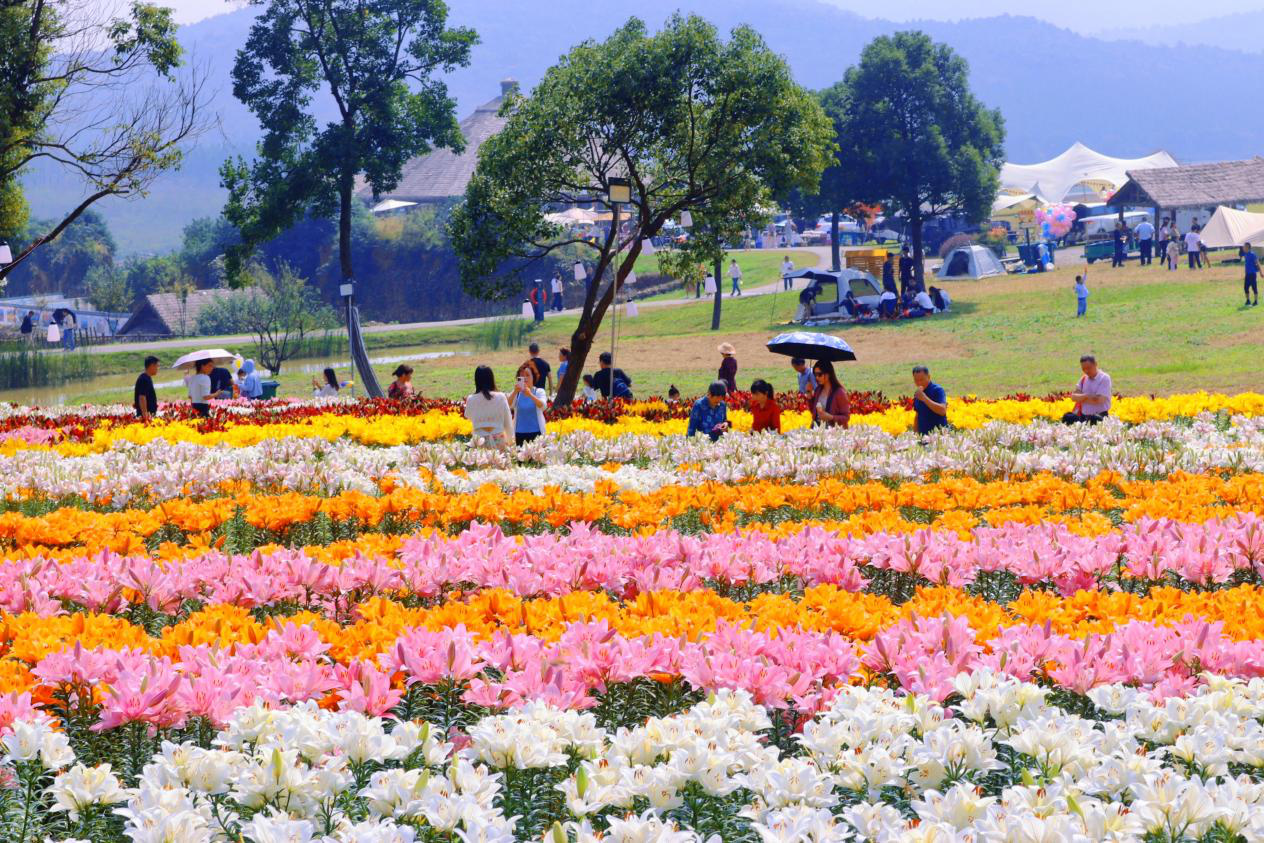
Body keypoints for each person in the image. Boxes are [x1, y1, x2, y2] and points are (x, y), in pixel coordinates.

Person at [464, 365, 513, 448]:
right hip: (498, 439)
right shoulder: (501, 397)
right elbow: (507, 421)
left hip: (479, 440)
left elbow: (467, 415)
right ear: (491, 379)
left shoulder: (471, 398)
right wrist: (510, 440)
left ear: (477, 380)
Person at [1062, 354, 1113, 425]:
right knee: (1067, 417)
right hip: (1084, 417)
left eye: (1089, 368)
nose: (1086, 371)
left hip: (1098, 417)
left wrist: (1082, 398)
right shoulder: (1084, 378)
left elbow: (1099, 400)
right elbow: (1073, 397)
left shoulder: (1104, 378)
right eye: (1083, 369)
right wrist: (1086, 396)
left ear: (1095, 364)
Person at [509, 362, 548, 445]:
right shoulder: (517, 393)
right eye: (522, 376)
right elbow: (508, 405)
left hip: (536, 433)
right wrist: (515, 392)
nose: (525, 378)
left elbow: (543, 406)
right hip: (519, 434)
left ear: (533, 377)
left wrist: (530, 395)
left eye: (527, 375)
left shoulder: (539, 391)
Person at [810, 360, 850, 428]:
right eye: (815, 374)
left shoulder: (839, 392)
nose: (817, 377)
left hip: (832, 433)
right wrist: (809, 396)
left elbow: (846, 417)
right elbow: (814, 413)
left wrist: (831, 417)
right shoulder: (818, 390)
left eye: (819, 374)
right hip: (817, 431)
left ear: (828, 374)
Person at [911, 366, 949, 436]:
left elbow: (942, 411)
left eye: (922, 380)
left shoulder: (937, 390)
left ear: (929, 377)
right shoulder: (918, 393)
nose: (919, 383)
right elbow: (917, 415)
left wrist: (924, 398)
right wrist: (915, 435)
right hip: (923, 437)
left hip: (939, 437)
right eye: (916, 380)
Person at [133, 355, 160, 422]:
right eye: (157, 366)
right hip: (146, 416)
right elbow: (142, 397)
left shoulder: (147, 378)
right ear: (151, 366)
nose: (157, 368)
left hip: (150, 414)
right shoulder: (143, 379)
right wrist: (145, 415)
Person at [1244, 242, 1259, 307]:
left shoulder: (1253, 254)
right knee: (1245, 288)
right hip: (1247, 274)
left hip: (1252, 274)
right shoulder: (1245, 255)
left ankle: (1256, 301)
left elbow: (1257, 263)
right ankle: (1248, 301)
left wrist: (1260, 272)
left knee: (1254, 288)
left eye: (1244, 246)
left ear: (1247, 247)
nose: (1243, 247)